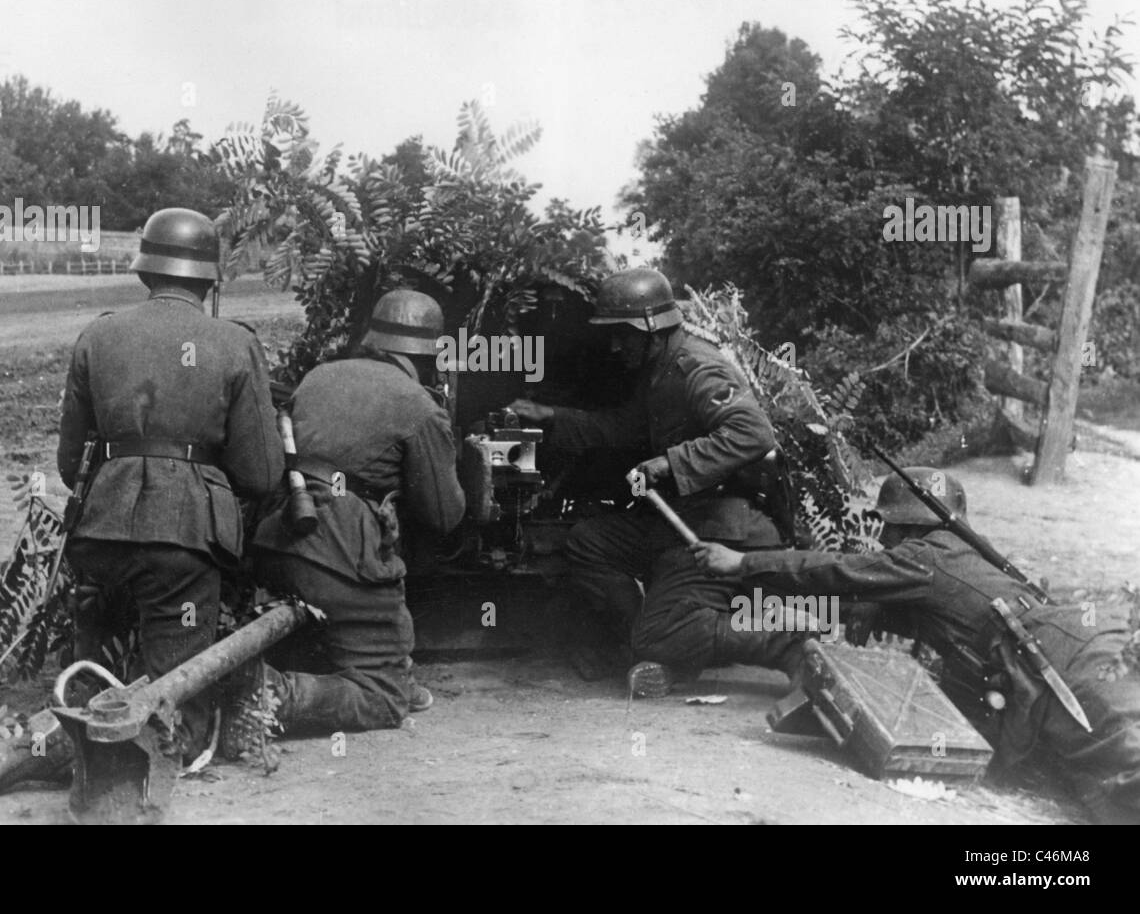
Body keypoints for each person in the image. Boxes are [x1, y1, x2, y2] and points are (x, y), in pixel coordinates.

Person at [692, 467, 1140, 824]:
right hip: (1087, 641)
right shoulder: (958, 557)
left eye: (887, 529)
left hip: (1059, 663)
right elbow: (913, 611)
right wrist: (769, 605)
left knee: (1125, 770)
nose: (882, 540)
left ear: (905, 527)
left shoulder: (921, 556)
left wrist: (745, 563)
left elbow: (837, 570)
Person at [57, 207, 284, 761]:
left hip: (99, 534)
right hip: (181, 539)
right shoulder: (234, 344)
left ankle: (81, 718)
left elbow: (70, 464)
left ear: (145, 269)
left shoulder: (99, 335)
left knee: (103, 628)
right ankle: (159, 744)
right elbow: (262, 474)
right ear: (210, 277)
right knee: (175, 678)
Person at [509, 268, 801, 696]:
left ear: (652, 330)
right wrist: (553, 418)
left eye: (623, 334)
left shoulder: (697, 368)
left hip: (726, 528)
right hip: (683, 521)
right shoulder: (659, 370)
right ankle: (647, 641)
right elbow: (626, 428)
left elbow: (753, 434)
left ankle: (783, 639)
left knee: (658, 637)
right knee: (589, 541)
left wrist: (667, 464)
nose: (615, 345)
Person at [246, 288, 465, 737]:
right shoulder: (418, 406)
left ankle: (365, 670)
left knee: (369, 643)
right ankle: (268, 697)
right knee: (384, 700)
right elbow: (444, 515)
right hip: (340, 553)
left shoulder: (320, 376)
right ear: (428, 354)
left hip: (274, 539)